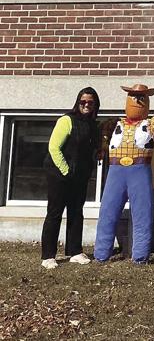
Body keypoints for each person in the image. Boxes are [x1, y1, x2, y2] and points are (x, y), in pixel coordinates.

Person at [94, 84, 154, 264]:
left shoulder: (151, 124)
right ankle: (101, 253)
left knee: (142, 213)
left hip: (140, 170)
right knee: (108, 211)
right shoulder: (114, 124)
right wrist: (101, 150)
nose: (137, 101)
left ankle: (140, 255)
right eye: (133, 96)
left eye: (141, 97)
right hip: (116, 170)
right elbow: (103, 140)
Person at [40, 87, 101, 270]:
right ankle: (48, 256)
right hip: (59, 174)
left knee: (76, 212)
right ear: (77, 103)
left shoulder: (93, 125)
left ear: (95, 104)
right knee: (55, 213)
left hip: (80, 175)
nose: (86, 105)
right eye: (83, 102)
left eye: (90, 102)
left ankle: (75, 252)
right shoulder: (66, 120)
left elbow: (91, 149)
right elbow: (54, 148)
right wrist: (66, 171)